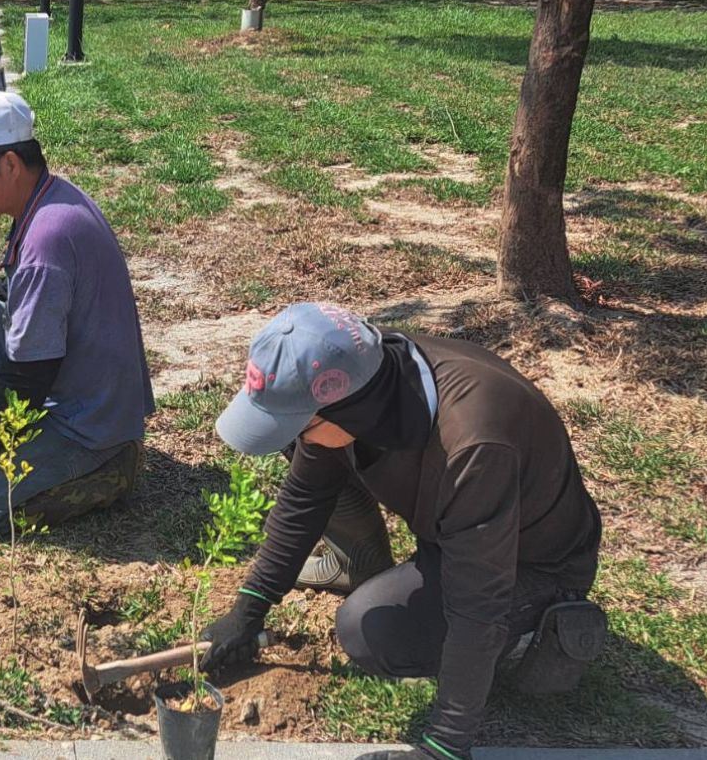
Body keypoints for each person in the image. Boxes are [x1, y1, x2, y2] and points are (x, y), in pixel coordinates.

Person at [200, 303, 606, 760]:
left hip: (530, 563)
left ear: (350, 412)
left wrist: (444, 747)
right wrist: (249, 608)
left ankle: (539, 623)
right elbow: (304, 498)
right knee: (364, 610)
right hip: (456, 535)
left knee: (376, 633)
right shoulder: (363, 379)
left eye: (301, 426)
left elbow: (478, 603)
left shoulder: (472, 445)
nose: (298, 441)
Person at [0, 90, 155, 537]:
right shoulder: (51, 196)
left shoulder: (46, 240)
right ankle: (17, 445)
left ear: (9, 163)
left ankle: (108, 472)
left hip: (87, 425)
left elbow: (29, 380)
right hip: (69, 381)